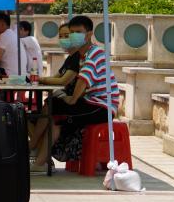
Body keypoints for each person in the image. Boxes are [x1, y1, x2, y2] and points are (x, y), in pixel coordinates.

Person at [31, 15, 119, 172]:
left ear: (89, 34)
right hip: (91, 101)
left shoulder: (94, 53)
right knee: (54, 109)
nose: (73, 36)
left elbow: (83, 80)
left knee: (54, 107)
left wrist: (72, 99)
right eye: (72, 32)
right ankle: (40, 160)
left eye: (78, 32)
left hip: (102, 106)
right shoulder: (83, 55)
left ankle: (35, 152)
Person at [28, 23, 81, 150]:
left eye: (66, 36)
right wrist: (41, 80)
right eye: (60, 36)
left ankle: (33, 146)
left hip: (74, 102)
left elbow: (62, 81)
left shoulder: (77, 58)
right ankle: (38, 150)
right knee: (28, 117)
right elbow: (56, 78)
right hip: (64, 99)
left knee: (49, 106)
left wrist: (40, 79)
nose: (63, 39)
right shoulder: (70, 58)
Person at [0, 12, 19, 77]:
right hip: (19, 75)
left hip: (9, 75)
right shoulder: (12, 34)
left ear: (2, 24)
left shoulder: (4, 35)